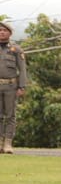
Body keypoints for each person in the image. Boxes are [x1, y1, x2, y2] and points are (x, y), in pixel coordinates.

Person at [0, 19, 28, 154]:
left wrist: (22, 86)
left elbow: (22, 69)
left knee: (10, 115)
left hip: (11, 86)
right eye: (0, 30)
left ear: (10, 33)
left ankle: (7, 143)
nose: (1, 32)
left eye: (4, 30)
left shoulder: (16, 49)